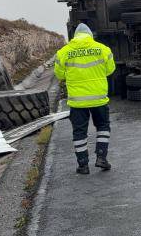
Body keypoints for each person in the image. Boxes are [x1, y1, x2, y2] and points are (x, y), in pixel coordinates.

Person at [54, 23, 116, 174]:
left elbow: (60, 75)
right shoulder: (103, 49)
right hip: (99, 99)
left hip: (77, 101)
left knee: (79, 132)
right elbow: (110, 70)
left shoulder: (63, 52)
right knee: (103, 127)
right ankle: (101, 158)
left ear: (75, 36)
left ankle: (83, 165)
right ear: (90, 35)